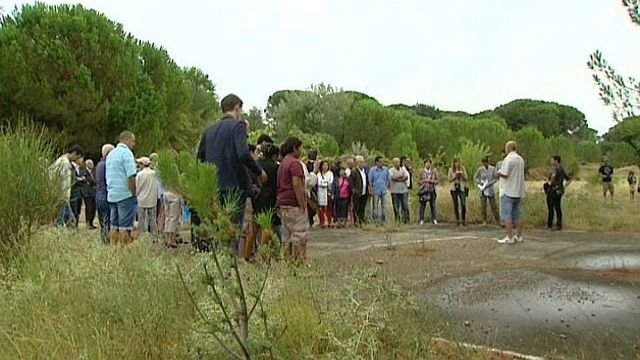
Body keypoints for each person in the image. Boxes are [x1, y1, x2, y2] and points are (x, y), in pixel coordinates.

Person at [197, 94, 263, 238]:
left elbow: (200, 159)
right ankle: (230, 259)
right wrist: (258, 171)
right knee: (232, 232)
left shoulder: (208, 131)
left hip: (213, 188)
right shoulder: (238, 126)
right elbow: (243, 154)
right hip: (234, 187)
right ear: (237, 107)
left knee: (216, 232)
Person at [277, 137, 309, 263]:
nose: (301, 151)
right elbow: (297, 184)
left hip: (283, 203)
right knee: (300, 234)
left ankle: (288, 261)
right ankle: (300, 261)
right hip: (294, 203)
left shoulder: (283, 163)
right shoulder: (295, 163)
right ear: (295, 148)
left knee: (287, 235)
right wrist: (302, 204)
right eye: (299, 148)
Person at [106, 131, 138, 244]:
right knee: (125, 226)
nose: (133, 144)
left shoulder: (111, 154)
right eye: (133, 141)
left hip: (112, 194)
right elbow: (131, 176)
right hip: (125, 194)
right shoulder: (127, 153)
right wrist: (134, 192)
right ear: (127, 140)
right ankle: (123, 251)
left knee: (114, 225)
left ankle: (113, 248)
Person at [497, 141, 526, 244]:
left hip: (508, 190)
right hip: (518, 190)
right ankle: (519, 235)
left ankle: (509, 237)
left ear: (508, 148)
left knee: (507, 215)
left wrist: (498, 172)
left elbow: (505, 174)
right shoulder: (520, 159)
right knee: (517, 214)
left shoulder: (508, 159)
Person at [51, 145, 84, 228]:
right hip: (62, 195)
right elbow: (59, 179)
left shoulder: (63, 162)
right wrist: (60, 192)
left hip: (64, 195)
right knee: (63, 219)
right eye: (77, 157)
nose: (76, 159)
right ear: (74, 153)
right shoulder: (64, 163)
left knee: (69, 219)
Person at [255, 143, 281, 238]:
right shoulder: (275, 167)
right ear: (274, 155)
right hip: (271, 199)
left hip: (257, 198)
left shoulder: (257, 163)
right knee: (274, 225)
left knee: (257, 226)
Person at [136, 157, 159, 240]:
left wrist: (136, 195)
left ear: (142, 164)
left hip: (142, 199)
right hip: (152, 199)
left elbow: (137, 187)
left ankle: (142, 236)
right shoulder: (154, 173)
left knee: (141, 219)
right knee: (152, 218)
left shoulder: (139, 174)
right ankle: (155, 236)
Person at [546, 155, 571, 231]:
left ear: (556, 161)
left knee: (551, 207)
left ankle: (550, 225)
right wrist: (564, 186)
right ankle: (558, 224)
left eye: (552, 160)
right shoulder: (561, 168)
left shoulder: (556, 169)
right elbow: (569, 178)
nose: (551, 162)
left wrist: (549, 184)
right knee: (557, 207)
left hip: (553, 190)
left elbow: (552, 179)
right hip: (559, 190)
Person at [95, 144, 114, 244]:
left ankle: (104, 239)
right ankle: (107, 240)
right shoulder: (107, 165)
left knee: (102, 220)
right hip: (106, 194)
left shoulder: (99, 164)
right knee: (108, 220)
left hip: (98, 194)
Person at [474, 157, 500, 226]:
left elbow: (495, 178)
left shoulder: (493, 169)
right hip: (483, 190)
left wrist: (489, 183)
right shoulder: (480, 169)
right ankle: (484, 220)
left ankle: (498, 220)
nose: (484, 164)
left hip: (490, 189)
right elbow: (475, 178)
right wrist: (480, 182)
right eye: (483, 163)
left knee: (493, 206)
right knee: (483, 206)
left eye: (486, 162)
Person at [368, 156, 390, 225]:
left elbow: (388, 179)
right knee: (375, 207)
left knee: (384, 206)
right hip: (375, 190)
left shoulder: (386, 170)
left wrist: (386, 186)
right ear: (376, 162)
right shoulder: (372, 170)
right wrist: (371, 189)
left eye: (382, 161)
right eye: (380, 162)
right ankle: (375, 221)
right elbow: (370, 181)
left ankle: (383, 221)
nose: (382, 163)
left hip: (383, 190)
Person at [448, 158, 469, 226]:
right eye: (456, 162)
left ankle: (463, 220)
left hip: (461, 188)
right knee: (456, 204)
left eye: (458, 162)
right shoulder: (451, 169)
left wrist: (461, 175)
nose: (457, 164)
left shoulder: (463, 169)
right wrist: (455, 176)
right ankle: (457, 220)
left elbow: (466, 178)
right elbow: (449, 179)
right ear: (454, 163)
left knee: (463, 204)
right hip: (454, 188)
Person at [418, 159, 439, 225]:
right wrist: (424, 181)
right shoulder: (421, 171)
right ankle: (421, 219)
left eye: (429, 163)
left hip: (432, 190)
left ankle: (434, 219)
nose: (428, 164)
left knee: (433, 205)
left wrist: (431, 181)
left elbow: (437, 181)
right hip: (424, 190)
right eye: (426, 163)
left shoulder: (434, 171)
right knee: (422, 205)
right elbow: (418, 181)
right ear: (424, 164)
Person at [389, 158, 410, 224]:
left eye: (398, 162)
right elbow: (393, 178)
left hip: (403, 190)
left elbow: (406, 177)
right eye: (396, 162)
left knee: (405, 205)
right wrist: (401, 177)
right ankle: (397, 220)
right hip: (394, 191)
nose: (398, 163)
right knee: (396, 206)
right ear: (393, 163)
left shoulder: (403, 169)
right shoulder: (390, 170)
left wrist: (398, 178)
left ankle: (406, 220)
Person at [350, 155, 369, 226]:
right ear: (357, 163)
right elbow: (351, 181)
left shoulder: (365, 171)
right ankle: (356, 221)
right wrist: (353, 189)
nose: (362, 163)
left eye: (362, 162)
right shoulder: (354, 171)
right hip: (357, 192)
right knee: (356, 207)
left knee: (362, 207)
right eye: (360, 162)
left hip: (364, 192)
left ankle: (361, 220)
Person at [317, 161, 334, 228]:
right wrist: (324, 182)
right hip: (321, 192)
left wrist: (324, 182)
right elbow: (319, 182)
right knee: (321, 208)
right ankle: (322, 222)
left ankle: (329, 221)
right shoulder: (319, 174)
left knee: (329, 207)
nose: (325, 167)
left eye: (326, 165)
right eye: (324, 165)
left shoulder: (330, 173)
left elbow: (330, 182)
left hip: (328, 191)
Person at [82, 159, 97, 229]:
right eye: (90, 164)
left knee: (93, 208)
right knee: (89, 208)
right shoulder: (85, 172)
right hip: (87, 193)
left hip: (94, 193)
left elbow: (94, 181)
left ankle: (91, 222)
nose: (92, 165)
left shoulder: (93, 172)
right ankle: (88, 223)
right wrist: (92, 182)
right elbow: (90, 181)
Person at [70, 156, 85, 227]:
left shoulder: (80, 168)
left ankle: (76, 225)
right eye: (81, 158)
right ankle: (72, 225)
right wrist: (80, 179)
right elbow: (73, 178)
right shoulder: (71, 166)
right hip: (74, 192)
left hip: (79, 192)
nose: (82, 160)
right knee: (74, 210)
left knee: (78, 211)